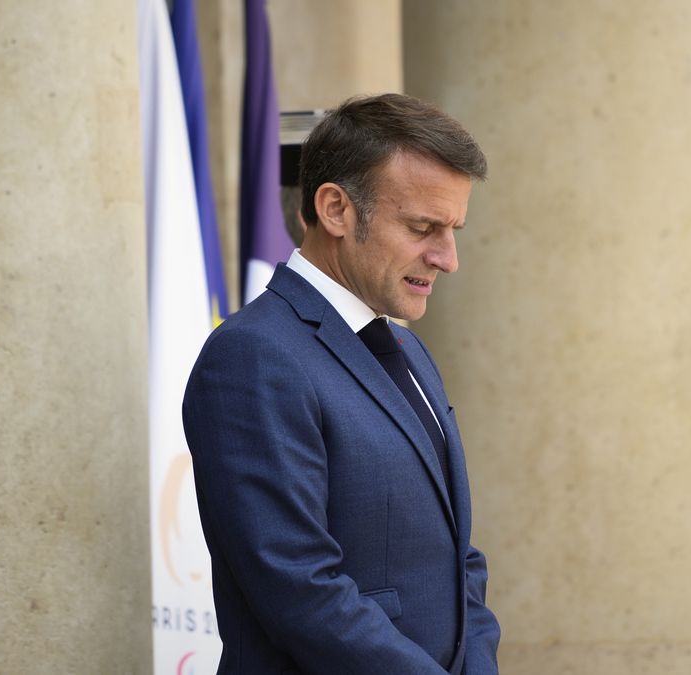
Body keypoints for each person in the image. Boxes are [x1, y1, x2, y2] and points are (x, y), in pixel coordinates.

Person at [182, 93, 500, 674]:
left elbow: (460, 562)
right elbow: (299, 588)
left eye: (453, 229)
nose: (448, 258)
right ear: (335, 210)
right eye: (423, 227)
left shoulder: (407, 348)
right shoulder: (252, 357)